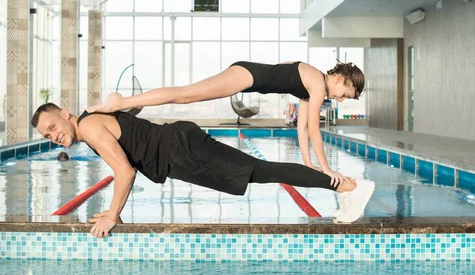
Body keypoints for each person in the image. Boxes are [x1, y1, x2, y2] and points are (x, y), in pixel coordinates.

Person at [31, 103, 375, 238]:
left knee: (261, 170)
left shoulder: (89, 127)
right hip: (181, 149)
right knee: (259, 171)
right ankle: (345, 186)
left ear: (64, 112)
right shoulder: (92, 122)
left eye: (51, 126)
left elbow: (125, 171)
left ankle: (347, 188)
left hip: (182, 151)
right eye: (47, 136)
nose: (53, 135)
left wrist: (111, 215)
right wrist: (112, 212)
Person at [86, 61, 364, 186]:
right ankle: (120, 102)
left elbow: (303, 129)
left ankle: (123, 102)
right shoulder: (316, 82)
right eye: (345, 94)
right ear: (340, 79)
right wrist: (326, 168)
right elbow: (316, 129)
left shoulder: (312, 83)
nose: (339, 100)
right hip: (247, 76)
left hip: (248, 75)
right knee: (185, 95)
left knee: (186, 95)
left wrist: (310, 164)